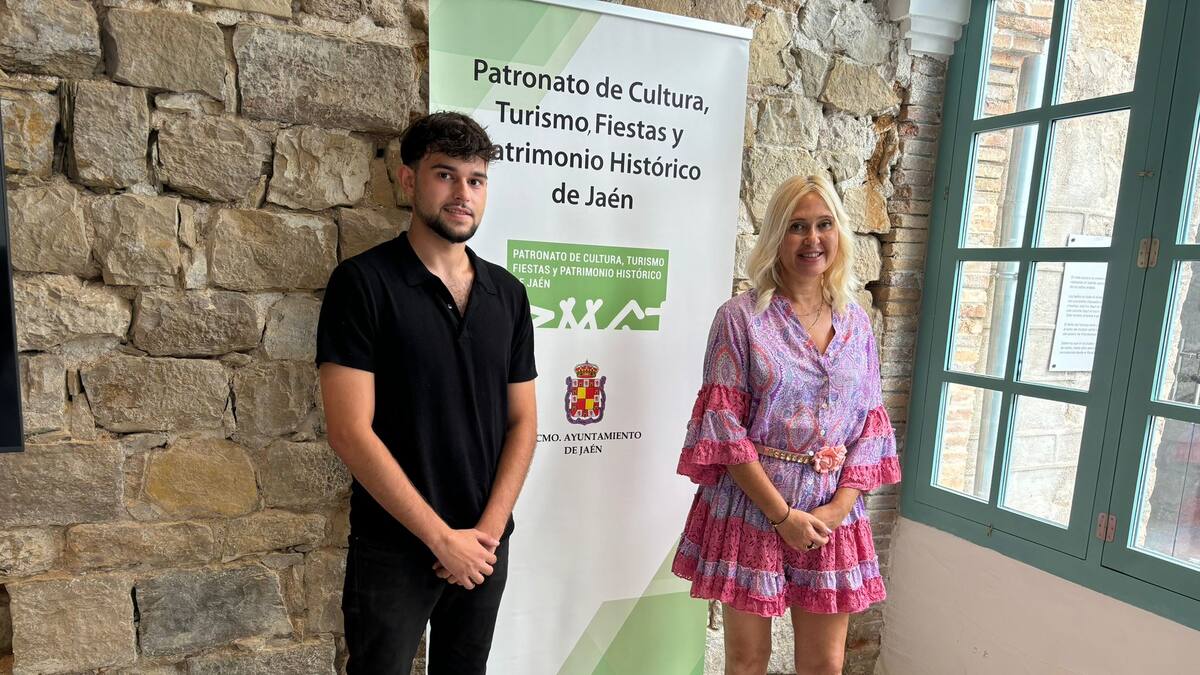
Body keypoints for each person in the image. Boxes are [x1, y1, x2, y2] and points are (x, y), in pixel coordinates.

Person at [316, 112, 538, 674]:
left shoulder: (508, 294)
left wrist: (482, 537)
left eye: (476, 179)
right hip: (395, 545)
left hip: (484, 546)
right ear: (409, 180)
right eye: (446, 175)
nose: (463, 193)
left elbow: (523, 424)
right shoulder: (363, 284)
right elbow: (348, 430)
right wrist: (442, 540)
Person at [671, 174, 900, 675]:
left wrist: (840, 508)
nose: (812, 239)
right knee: (748, 660)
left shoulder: (857, 323)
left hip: (831, 514)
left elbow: (870, 425)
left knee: (825, 664)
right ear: (777, 235)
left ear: (839, 233)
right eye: (797, 226)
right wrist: (782, 517)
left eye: (824, 225)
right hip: (754, 510)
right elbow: (724, 428)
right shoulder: (740, 319)